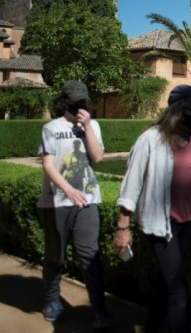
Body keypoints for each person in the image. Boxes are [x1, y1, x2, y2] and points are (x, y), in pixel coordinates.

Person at [112, 84, 191, 333]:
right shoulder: (150, 140)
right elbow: (131, 185)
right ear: (177, 110)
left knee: (166, 286)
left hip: (185, 223)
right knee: (179, 293)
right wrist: (122, 227)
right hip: (160, 227)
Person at [36, 80, 111, 328]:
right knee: (55, 256)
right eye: (76, 102)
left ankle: (100, 309)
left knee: (90, 256)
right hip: (55, 202)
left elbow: (97, 158)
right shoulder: (51, 128)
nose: (81, 107)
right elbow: (48, 165)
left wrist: (88, 126)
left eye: (84, 102)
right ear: (64, 102)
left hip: (87, 201)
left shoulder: (93, 126)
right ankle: (51, 299)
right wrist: (67, 190)